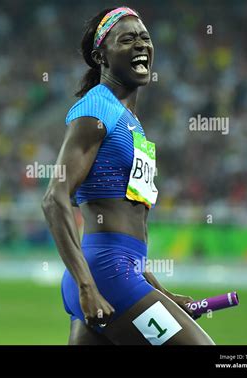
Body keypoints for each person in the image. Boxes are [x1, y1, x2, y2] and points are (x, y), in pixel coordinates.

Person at [41, 6, 215, 345]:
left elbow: (128, 232)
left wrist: (162, 294)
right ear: (100, 55)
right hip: (105, 277)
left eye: (145, 39)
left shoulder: (132, 124)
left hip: (118, 274)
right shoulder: (97, 108)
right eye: (128, 39)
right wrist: (87, 286)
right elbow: (54, 198)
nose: (141, 45)